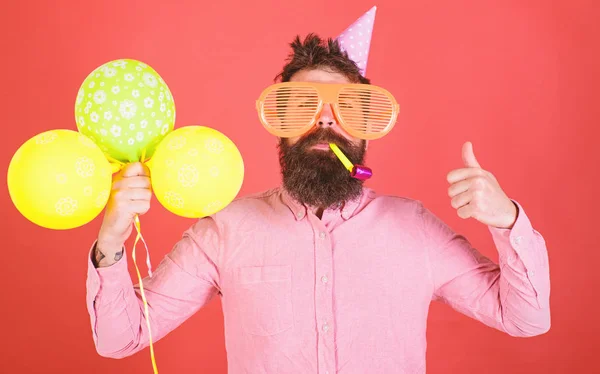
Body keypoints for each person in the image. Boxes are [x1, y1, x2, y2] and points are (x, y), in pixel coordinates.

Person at [85, 34, 550, 374]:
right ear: (280, 128)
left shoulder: (416, 230)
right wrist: (111, 240)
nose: (324, 119)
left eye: (349, 109)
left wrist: (506, 219)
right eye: (299, 106)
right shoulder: (226, 230)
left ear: (366, 130)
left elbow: (525, 318)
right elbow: (121, 338)